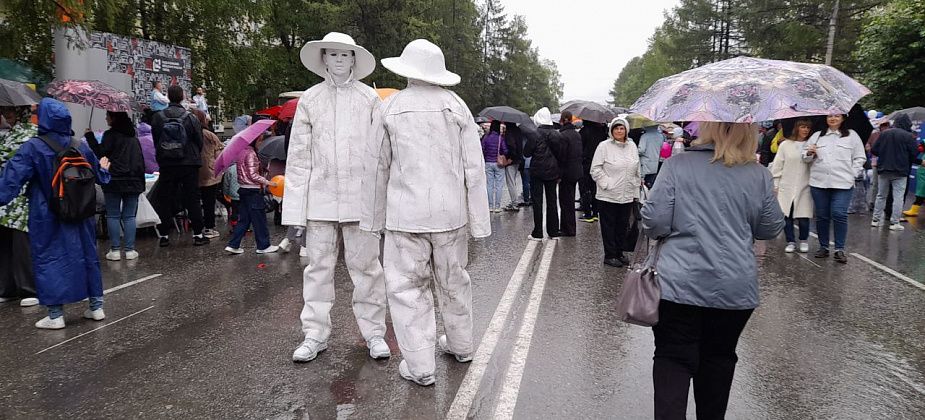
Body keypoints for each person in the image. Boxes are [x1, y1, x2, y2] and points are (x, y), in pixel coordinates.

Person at [362, 39, 490, 386]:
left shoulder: (391, 108)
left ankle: (420, 365)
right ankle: (462, 345)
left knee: (407, 289)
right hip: (450, 215)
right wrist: (479, 222)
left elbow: (377, 169)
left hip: (406, 216)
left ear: (405, 69)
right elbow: (474, 169)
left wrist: (372, 220)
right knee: (454, 280)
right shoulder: (456, 106)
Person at [641, 121, 784, 420]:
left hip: (677, 285)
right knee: (718, 361)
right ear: (749, 133)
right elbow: (770, 228)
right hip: (735, 289)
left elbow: (654, 222)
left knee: (672, 358)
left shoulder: (677, 166)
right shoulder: (758, 174)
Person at [284, 32, 390, 364]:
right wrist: (295, 215)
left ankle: (374, 333)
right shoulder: (310, 100)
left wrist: (380, 206)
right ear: (324, 59)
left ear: (355, 60)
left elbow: (380, 156)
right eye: (334, 55)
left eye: (346, 55)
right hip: (320, 199)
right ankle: (314, 333)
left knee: (368, 269)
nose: (340, 61)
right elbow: (298, 159)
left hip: (360, 200)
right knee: (317, 269)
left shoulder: (369, 100)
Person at [0, 98, 113, 329]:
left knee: (49, 258)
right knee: (87, 255)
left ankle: (55, 315)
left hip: (46, 212)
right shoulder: (79, 144)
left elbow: (10, 182)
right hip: (80, 210)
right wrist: (104, 170)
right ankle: (96, 306)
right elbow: (100, 177)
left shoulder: (33, 147)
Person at [803, 114, 866, 263]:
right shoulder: (817, 136)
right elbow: (804, 157)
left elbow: (860, 157)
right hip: (819, 182)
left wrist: (853, 173)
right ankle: (823, 247)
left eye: (836, 116)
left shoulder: (851, 135)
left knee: (839, 213)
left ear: (843, 118)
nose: (833, 118)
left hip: (843, 183)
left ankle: (839, 249)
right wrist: (809, 153)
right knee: (822, 215)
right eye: (830, 116)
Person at [150, 85, 208, 247]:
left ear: (168, 96)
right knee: (192, 199)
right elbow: (199, 141)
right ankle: (197, 234)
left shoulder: (158, 117)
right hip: (189, 163)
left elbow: (156, 140)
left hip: (167, 163)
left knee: (165, 198)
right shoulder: (190, 118)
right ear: (182, 97)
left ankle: (164, 236)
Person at [85, 111, 146, 261]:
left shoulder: (110, 136)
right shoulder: (133, 138)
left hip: (114, 179)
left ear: (113, 118)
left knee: (113, 214)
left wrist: (90, 137)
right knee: (130, 215)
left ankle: (115, 250)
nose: (106, 118)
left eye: (108, 116)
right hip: (133, 181)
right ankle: (130, 250)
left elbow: (101, 154)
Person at [0, 105, 39, 307]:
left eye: (10, 111)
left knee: (20, 246)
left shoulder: (28, 134)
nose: (6, 115)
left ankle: (27, 289)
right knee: (7, 246)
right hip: (7, 202)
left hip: (21, 201)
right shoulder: (8, 134)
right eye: (4, 111)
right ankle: (8, 288)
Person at [590, 117, 640, 267]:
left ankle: (619, 252)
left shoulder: (632, 146)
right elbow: (595, 169)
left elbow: (637, 170)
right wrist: (607, 183)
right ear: (612, 130)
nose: (619, 131)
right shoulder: (604, 146)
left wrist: (635, 191)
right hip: (608, 195)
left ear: (626, 130)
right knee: (609, 225)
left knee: (622, 225)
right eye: (616, 128)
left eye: (622, 128)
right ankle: (610, 254)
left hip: (627, 194)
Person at [224, 133, 278, 254]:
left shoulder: (241, 152)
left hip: (243, 189)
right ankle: (263, 246)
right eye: (260, 140)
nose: (261, 143)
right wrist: (268, 182)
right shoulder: (251, 153)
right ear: (256, 140)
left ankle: (234, 244)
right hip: (253, 190)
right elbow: (253, 175)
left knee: (244, 219)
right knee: (259, 219)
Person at [770, 118, 814, 253]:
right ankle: (790, 241)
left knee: (803, 215)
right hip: (787, 184)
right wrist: (776, 184)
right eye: (802, 127)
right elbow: (778, 165)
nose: (805, 130)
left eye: (807, 127)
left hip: (805, 184)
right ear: (797, 128)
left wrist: (811, 154)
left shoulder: (812, 145)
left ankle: (804, 240)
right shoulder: (785, 145)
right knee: (786, 214)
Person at [871, 113, 919, 230]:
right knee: (898, 197)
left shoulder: (884, 133)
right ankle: (895, 222)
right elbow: (914, 154)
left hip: (884, 169)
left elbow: (874, 150)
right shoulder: (909, 136)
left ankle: (875, 220)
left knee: (881, 195)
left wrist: (885, 154)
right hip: (901, 171)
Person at [524, 107, 563, 240]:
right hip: (552, 171)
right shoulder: (557, 134)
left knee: (537, 202)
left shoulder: (534, 134)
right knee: (552, 201)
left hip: (537, 171)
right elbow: (560, 154)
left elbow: (526, 153)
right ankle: (553, 231)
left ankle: (538, 232)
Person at [191, 110, 223, 239]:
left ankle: (196, 228)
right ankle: (209, 227)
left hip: (193, 171)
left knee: (194, 201)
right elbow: (219, 154)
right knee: (209, 201)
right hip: (209, 172)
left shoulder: (189, 134)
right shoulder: (209, 135)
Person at [557, 111, 583, 236]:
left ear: (562, 120)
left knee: (565, 201)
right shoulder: (576, 135)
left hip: (566, 172)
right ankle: (569, 227)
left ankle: (567, 228)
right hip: (576, 170)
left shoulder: (563, 135)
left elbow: (562, 156)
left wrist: (558, 174)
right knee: (570, 199)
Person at [578, 120, 608, 222]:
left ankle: (587, 214)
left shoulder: (583, 132)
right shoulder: (601, 131)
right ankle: (595, 213)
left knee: (585, 188)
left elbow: (580, 147)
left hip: (586, 163)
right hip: (598, 163)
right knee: (595, 188)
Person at [481, 120, 508, 212]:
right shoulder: (501, 138)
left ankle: (490, 206)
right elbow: (505, 150)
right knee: (499, 185)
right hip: (499, 163)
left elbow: (482, 149)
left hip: (488, 162)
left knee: (489, 185)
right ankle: (497, 206)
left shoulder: (486, 138)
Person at [502, 122, 524, 211]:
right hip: (518, 159)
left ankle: (514, 203)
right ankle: (514, 202)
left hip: (511, 160)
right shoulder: (518, 131)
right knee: (513, 181)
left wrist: (510, 157)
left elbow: (511, 146)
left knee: (510, 182)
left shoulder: (509, 132)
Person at [902, 134, 925, 217]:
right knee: (921, 191)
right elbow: (920, 147)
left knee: (921, 192)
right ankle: (914, 210)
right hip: (923, 171)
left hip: (923, 171)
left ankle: (914, 210)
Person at [637, 125, 662, 190]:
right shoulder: (661, 136)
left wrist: (635, 152)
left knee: (643, 185)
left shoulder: (645, 136)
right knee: (651, 184)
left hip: (645, 163)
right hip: (656, 163)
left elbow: (641, 150)